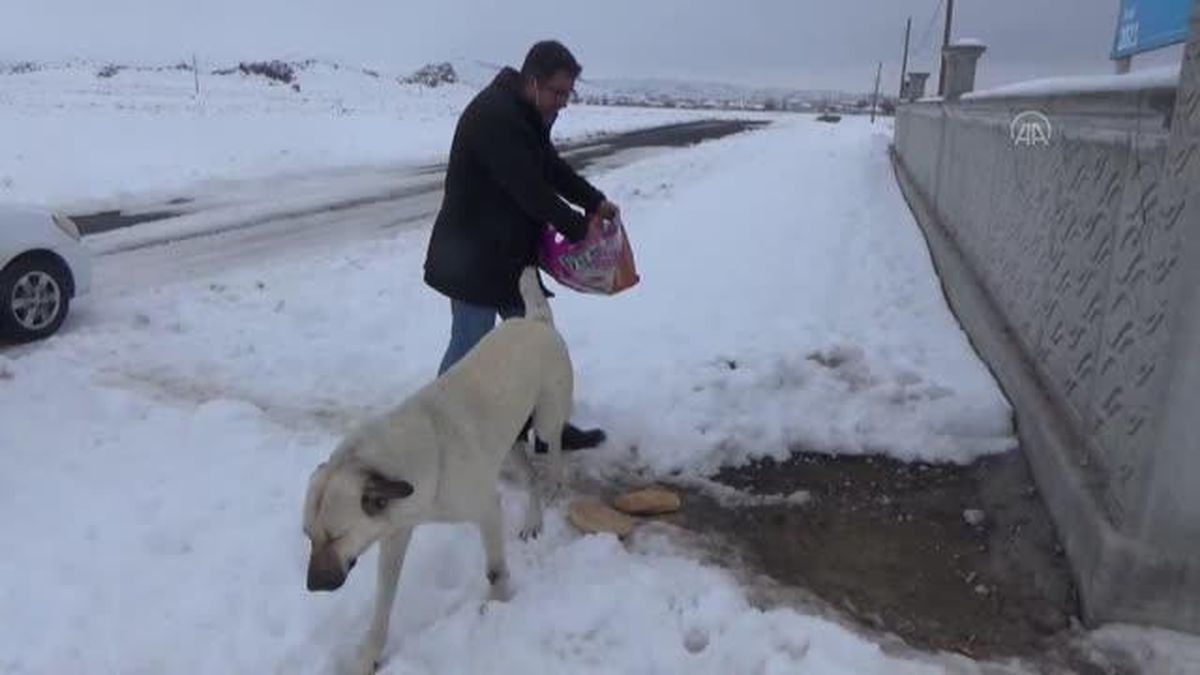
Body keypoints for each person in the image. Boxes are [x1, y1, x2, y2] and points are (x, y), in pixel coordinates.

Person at [423, 40, 619, 451]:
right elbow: (530, 189)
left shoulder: (526, 114)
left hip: (508, 252)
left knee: (534, 343)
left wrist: (594, 201)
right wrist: (579, 226)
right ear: (533, 82)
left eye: (569, 93)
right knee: (470, 343)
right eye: (558, 92)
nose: (564, 102)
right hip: (472, 256)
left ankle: (547, 427)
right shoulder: (496, 117)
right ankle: (435, 434)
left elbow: (551, 169)